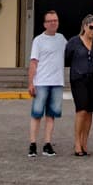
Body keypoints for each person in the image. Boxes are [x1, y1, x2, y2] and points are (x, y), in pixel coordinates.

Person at [27, 9, 66, 157]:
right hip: (41, 82)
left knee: (51, 115)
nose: (53, 23)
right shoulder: (38, 40)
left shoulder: (61, 39)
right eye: (50, 21)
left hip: (57, 82)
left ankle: (47, 144)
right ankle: (32, 144)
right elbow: (33, 62)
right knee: (36, 114)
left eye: (55, 20)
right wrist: (31, 83)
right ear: (44, 24)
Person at [66, 15, 93, 156]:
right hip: (78, 79)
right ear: (84, 26)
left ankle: (85, 142)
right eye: (91, 27)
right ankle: (77, 143)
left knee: (90, 111)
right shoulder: (74, 42)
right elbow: (66, 58)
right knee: (81, 110)